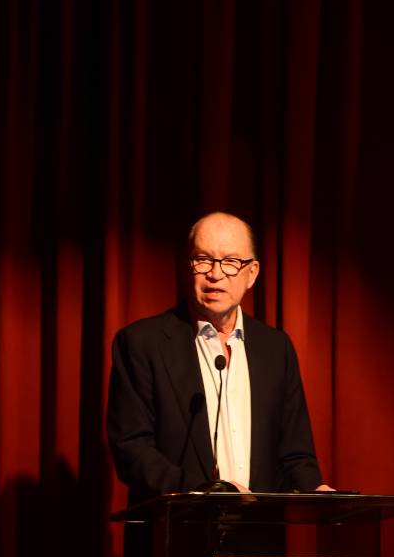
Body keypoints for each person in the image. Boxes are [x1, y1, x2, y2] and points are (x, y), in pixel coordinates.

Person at [108, 211, 332, 500]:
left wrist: (316, 489)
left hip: (257, 535)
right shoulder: (141, 344)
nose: (215, 274)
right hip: (175, 533)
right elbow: (131, 450)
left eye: (230, 262)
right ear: (187, 266)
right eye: (203, 259)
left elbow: (295, 455)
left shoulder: (276, 349)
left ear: (251, 273)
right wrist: (208, 494)